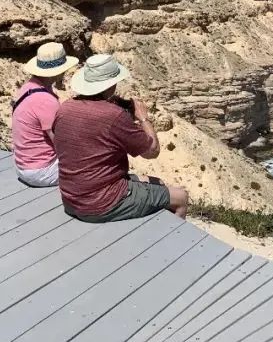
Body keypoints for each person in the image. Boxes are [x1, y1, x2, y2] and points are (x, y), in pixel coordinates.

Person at [53, 53, 188, 222]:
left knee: (157, 182)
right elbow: (152, 151)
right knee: (180, 197)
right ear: (111, 84)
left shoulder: (65, 108)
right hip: (101, 204)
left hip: (71, 200)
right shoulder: (113, 115)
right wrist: (143, 117)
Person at [11, 42, 77, 187]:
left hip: (23, 166)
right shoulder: (46, 101)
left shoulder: (28, 88)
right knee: (96, 166)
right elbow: (59, 142)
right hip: (41, 171)